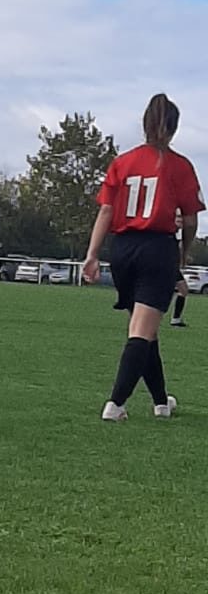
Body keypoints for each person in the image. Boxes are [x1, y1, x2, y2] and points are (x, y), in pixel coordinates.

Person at [83, 93, 204, 422]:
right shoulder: (180, 166)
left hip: (122, 250)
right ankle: (115, 404)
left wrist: (92, 254)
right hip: (157, 249)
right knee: (140, 332)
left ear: (144, 123)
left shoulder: (122, 162)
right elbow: (190, 220)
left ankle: (162, 402)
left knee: (146, 332)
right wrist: (183, 252)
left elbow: (106, 211)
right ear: (174, 127)